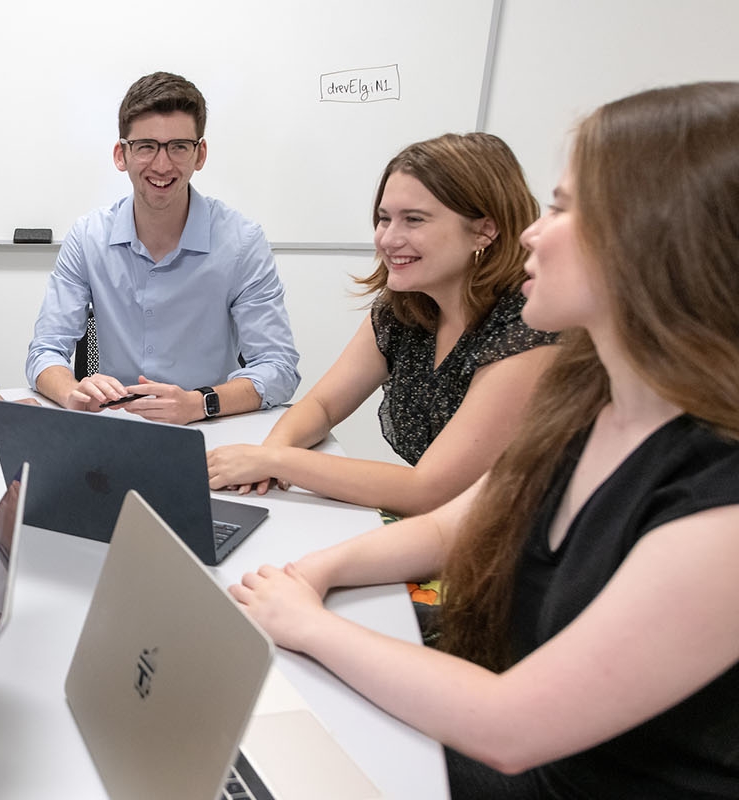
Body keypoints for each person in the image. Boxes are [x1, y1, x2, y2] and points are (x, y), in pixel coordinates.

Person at [230, 82, 739, 799]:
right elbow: (453, 522)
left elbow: (511, 729)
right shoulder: (590, 397)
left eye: (562, 208)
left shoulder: (721, 502)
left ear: (659, 236)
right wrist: (313, 572)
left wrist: (309, 625)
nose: (531, 230)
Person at [207, 133, 558, 517]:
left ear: (484, 231)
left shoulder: (524, 331)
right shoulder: (403, 310)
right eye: (384, 219)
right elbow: (323, 405)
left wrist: (276, 462)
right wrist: (274, 449)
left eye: (414, 220)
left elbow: (427, 489)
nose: (388, 239)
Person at [24, 71, 300, 425]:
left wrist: (199, 403)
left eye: (178, 147)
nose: (162, 164)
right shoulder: (88, 237)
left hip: (209, 426)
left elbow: (278, 367)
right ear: (121, 154)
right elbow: (45, 351)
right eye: (146, 147)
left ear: (199, 154)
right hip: (119, 425)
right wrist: (71, 392)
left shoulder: (242, 242)